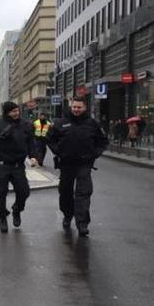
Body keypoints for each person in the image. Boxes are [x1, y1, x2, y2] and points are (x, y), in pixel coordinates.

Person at [47, 96, 109, 237]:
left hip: (84, 164)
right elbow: (50, 139)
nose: (76, 109)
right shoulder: (61, 123)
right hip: (66, 164)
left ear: (84, 108)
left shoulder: (92, 124)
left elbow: (103, 141)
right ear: (71, 107)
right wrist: (58, 151)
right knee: (65, 192)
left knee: (83, 194)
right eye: (74, 107)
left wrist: (94, 154)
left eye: (79, 107)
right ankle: (68, 215)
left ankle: (82, 223)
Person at [0, 101, 39, 233]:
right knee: (0, 194)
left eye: (17, 111)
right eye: (13, 111)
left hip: (18, 165)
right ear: (7, 112)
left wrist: (33, 156)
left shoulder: (25, 125)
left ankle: (17, 209)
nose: (17, 113)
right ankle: (2, 217)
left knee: (24, 192)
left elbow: (31, 142)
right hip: (2, 165)